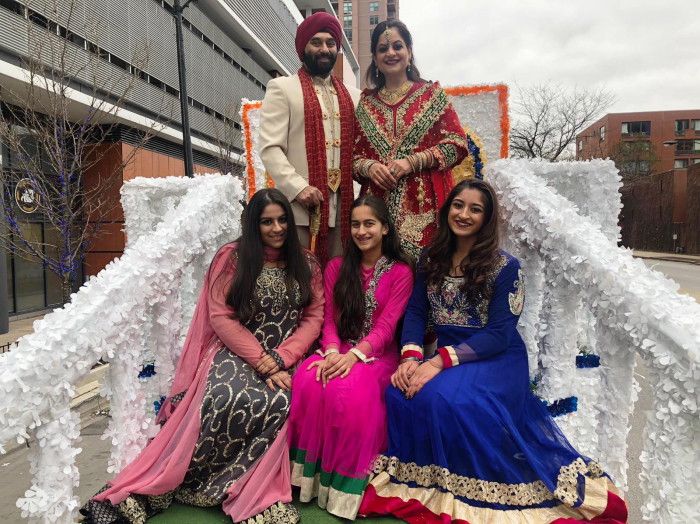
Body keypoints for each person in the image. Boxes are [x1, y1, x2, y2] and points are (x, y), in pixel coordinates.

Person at [359, 179, 628, 524]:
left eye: (475, 209)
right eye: (458, 205)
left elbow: (500, 334)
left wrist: (438, 362)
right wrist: (411, 358)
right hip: (450, 357)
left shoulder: (505, 267)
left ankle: (474, 488)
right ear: (447, 209)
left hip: (494, 358)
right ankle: (427, 479)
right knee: (400, 392)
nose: (464, 214)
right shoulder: (431, 257)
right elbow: (416, 312)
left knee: (446, 400)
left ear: (487, 218)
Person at [80, 189, 324, 524]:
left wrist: (282, 357)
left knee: (278, 401)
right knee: (223, 395)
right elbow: (221, 316)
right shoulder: (232, 257)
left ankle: (245, 486)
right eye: (267, 221)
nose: (277, 227)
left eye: (282, 219)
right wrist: (262, 361)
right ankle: (179, 481)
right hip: (237, 350)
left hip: (287, 354)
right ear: (253, 224)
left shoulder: (306, 262)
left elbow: (314, 316)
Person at [288, 195, 414, 520]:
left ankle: (341, 491)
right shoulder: (336, 267)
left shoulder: (400, 272)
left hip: (378, 357)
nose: (361, 231)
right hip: (337, 349)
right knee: (309, 381)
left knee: (349, 391)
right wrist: (332, 351)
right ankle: (304, 482)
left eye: (369, 224)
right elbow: (329, 319)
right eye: (356, 224)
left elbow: (387, 328)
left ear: (385, 228)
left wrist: (356, 356)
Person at [353, 20, 470, 259]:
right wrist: (370, 166)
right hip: (376, 208)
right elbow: (352, 158)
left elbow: (457, 145)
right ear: (375, 58)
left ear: (409, 51)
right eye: (383, 49)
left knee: (424, 279)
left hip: (424, 206)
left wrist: (413, 161)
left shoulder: (431, 95)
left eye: (398, 46)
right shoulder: (365, 104)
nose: (391, 53)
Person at [260, 12, 361, 265]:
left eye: (330, 43)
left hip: (346, 210)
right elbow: (271, 148)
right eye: (316, 42)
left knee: (340, 284)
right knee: (301, 284)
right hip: (302, 212)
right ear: (303, 47)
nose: (324, 49)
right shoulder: (283, 88)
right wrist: (298, 188)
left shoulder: (355, 96)